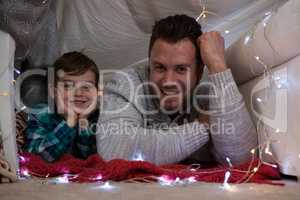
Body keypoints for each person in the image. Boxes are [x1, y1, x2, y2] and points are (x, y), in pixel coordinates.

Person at [97, 14, 258, 165]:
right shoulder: (125, 83)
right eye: (159, 67)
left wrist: (218, 65)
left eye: (181, 69)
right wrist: (202, 128)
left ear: (199, 71)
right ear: (150, 64)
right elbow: (114, 151)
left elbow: (241, 158)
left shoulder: (210, 90)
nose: (168, 82)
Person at [25, 52, 99, 162]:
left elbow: (93, 160)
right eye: (68, 86)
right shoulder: (41, 114)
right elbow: (34, 158)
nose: (78, 93)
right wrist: (69, 122)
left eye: (86, 87)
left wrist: (83, 122)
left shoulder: (98, 118)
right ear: (53, 92)